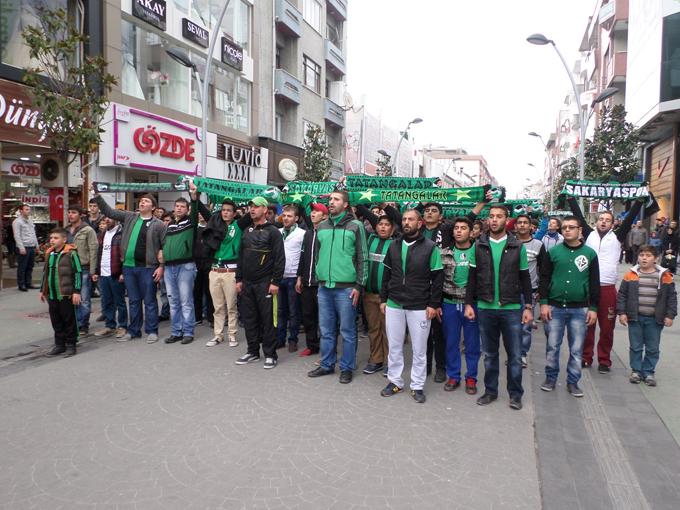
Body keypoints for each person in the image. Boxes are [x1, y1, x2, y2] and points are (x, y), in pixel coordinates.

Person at [465, 205, 533, 410]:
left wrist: (528, 306)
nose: (494, 220)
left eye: (499, 216)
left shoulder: (517, 246)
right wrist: (469, 303)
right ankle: (490, 391)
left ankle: (515, 394)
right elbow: (472, 278)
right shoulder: (478, 246)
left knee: (514, 355)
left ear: (506, 219)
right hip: (485, 307)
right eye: (491, 216)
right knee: (490, 354)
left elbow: (525, 278)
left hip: (511, 308)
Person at [567, 197, 642, 373]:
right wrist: (570, 199)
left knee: (607, 328)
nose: (603, 222)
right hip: (588, 288)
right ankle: (586, 357)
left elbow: (630, 218)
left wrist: (638, 202)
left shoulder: (618, 236)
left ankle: (604, 360)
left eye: (608, 220)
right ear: (597, 221)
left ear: (613, 224)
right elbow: (578, 215)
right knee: (588, 326)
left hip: (608, 288)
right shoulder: (588, 233)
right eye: (601, 219)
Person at [379, 209, 443, 403]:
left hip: (419, 306)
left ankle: (417, 385)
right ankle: (395, 381)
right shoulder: (393, 246)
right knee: (395, 346)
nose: (406, 222)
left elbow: (438, 277)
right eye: (404, 219)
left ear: (420, 223)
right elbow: (386, 274)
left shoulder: (431, 247)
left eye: (411, 219)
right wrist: (383, 299)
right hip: (394, 303)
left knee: (419, 349)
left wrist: (433, 304)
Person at [307, 190, 368, 384]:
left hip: (347, 288)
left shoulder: (356, 226)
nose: (331, 202)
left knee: (348, 331)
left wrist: (359, 285)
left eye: (336, 199)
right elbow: (318, 254)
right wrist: (319, 275)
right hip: (325, 287)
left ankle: (347, 367)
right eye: (331, 199)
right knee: (325, 329)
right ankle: (326, 365)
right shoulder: (322, 226)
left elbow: (362, 258)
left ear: (346, 204)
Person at [539, 216, 599, 397]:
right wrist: (544, 303)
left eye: (571, 227)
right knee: (552, 346)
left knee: (576, 348)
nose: (566, 230)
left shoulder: (590, 254)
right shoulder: (553, 252)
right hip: (555, 308)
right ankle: (550, 378)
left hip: (579, 309)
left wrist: (594, 308)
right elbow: (544, 278)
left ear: (580, 230)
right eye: (564, 227)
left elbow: (594, 283)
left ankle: (573, 382)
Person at [94, 193, 166, 343]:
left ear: (153, 207)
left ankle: (152, 331)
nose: (142, 203)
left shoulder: (159, 224)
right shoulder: (130, 216)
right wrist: (98, 197)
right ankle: (134, 331)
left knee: (149, 301)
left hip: (148, 267)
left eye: (146, 201)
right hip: (129, 266)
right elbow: (109, 212)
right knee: (133, 300)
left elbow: (164, 246)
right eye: (141, 201)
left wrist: (161, 267)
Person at [235, 196, 285, 369]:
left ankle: (270, 354)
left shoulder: (273, 232)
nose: (252, 209)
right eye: (250, 206)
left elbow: (280, 259)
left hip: (265, 283)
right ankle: (252, 351)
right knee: (249, 319)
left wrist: (275, 282)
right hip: (247, 283)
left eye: (256, 206)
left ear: (265, 209)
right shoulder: (247, 230)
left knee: (267, 320)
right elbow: (241, 256)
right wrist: (239, 279)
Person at [617, 245, 677, 387]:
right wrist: (622, 313)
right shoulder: (631, 274)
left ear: (656, 259)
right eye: (642, 255)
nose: (644, 258)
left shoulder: (664, 276)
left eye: (648, 255)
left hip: (655, 319)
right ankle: (636, 370)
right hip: (635, 317)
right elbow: (622, 295)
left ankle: (649, 372)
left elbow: (671, 297)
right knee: (636, 346)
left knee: (652, 347)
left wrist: (670, 315)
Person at [198, 197, 252, 347]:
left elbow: (250, 214)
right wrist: (195, 196)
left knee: (231, 306)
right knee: (218, 306)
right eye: (223, 210)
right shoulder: (215, 224)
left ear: (234, 214)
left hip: (231, 271)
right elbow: (204, 212)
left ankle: (232, 334)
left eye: (229, 210)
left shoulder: (239, 225)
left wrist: (263, 196)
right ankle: (218, 335)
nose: (225, 213)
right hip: (214, 270)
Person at [440, 216, 480, 394]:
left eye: (463, 228)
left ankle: (471, 377)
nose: (459, 231)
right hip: (449, 303)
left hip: (471, 304)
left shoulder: (479, 252)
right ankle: (453, 376)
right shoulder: (444, 253)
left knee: (472, 344)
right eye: (456, 228)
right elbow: (437, 279)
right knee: (451, 342)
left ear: (471, 232)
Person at [161, 196, 199, 345]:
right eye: (177, 206)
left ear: (187, 209)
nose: (179, 208)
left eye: (182, 206)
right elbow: (164, 242)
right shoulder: (169, 225)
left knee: (185, 301)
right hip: (169, 267)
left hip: (185, 266)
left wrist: (194, 198)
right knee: (173, 301)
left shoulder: (191, 222)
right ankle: (176, 332)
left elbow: (195, 210)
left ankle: (188, 332)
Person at [362, 214, 396, 375]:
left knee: (388, 330)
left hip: (388, 299)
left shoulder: (396, 244)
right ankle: (376, 360)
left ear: (393, 228)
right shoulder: (369, 240)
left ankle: (391, 362)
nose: (383, 227)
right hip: (369, 295)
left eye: (387, 224)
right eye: (380, 224)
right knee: (373, 329)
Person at [39, 228, 82, 357]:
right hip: (52, 294)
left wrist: (76, 291)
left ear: (64, 239)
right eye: (51, 238)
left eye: (56, 238)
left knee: (69, 320)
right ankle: (59, 345)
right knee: (56, 320)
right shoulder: (50, 253)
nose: (52, 240)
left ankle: (71, 345)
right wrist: (42, 290)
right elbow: (45, 273)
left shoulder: (71, 253)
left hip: (66, 294)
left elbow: (78, 272)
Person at [514, 214, 548, 367]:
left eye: (525, 223)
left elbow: (544, 269)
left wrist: (542, 290)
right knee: (512, 326)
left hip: (530, 291)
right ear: (515, 226)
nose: (522, 225)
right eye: (519, 223)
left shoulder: (538, 245)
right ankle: (513, 353)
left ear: (530, 227)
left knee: (526, 326)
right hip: (510, 291)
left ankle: (522, 354)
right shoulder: (510, 243)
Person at [295, 202, 328, 357]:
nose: (313, 214)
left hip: (321, 283)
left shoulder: (327, 233)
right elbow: (302, 256)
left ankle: (327, 349)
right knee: (308, 316)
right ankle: (312, 345)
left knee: (324, 318)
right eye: (312, 211)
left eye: (317, 211)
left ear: (325, 216)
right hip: (307, 282)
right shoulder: (307, 233)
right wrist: (299, 278)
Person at [275, 204, 305, 352]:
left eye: (289, 216)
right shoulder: (277, 232)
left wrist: (300, 277)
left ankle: (293, 339)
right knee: (281, 310)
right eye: (284, 216)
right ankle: (280, 339)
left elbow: (303, 257)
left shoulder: (302, 234)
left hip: (293, 276)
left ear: (296, 218)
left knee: (294, 311)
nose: (286, 218)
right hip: (279, 277)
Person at [92, 217, 128, 339]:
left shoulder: (122, 234)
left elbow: (125, 254)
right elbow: (99, 253)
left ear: (116, 219)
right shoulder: (102, 234)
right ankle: (109, 325)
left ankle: (122, 326)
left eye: (109, 218)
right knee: (106, 301)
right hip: (103, 272)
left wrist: (123, 272)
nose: (107, 221)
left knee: (120, 301)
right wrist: (97, 271)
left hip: (116, 272)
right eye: (105, 219)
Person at [66, 205, 98, 337]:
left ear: (80, 215)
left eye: (73, 212)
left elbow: (93, 250)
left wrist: (92, 271)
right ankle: (74, 323)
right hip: (68, 268)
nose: (70, 215)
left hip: (83, 268)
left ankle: (83, 324)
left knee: (84, 299)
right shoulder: (66, 230)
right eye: (69, 212)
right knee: (71, 298)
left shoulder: (88, 230)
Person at [193, 212, 214, 327]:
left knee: (209, 292)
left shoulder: (210, 229)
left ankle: (211, 317)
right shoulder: (194, 229)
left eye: (202, 213)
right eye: (199, 214)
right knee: (196, 291)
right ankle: (197, 317)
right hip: (196, 262)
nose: (200, 215)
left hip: (208, 262)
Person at [12, 204, 39, 291]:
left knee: (30, 266)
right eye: (26, 209)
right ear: (21, 211)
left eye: (29, 209)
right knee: (22, 267)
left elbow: (33, 233)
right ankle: (21, 284)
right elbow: (17, 236)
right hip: (24, 247)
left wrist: (37, 245)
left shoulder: (30, 220)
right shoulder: (17, 222)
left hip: (31, 246)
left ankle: (28, 283)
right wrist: (21, 247)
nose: (29, 211)